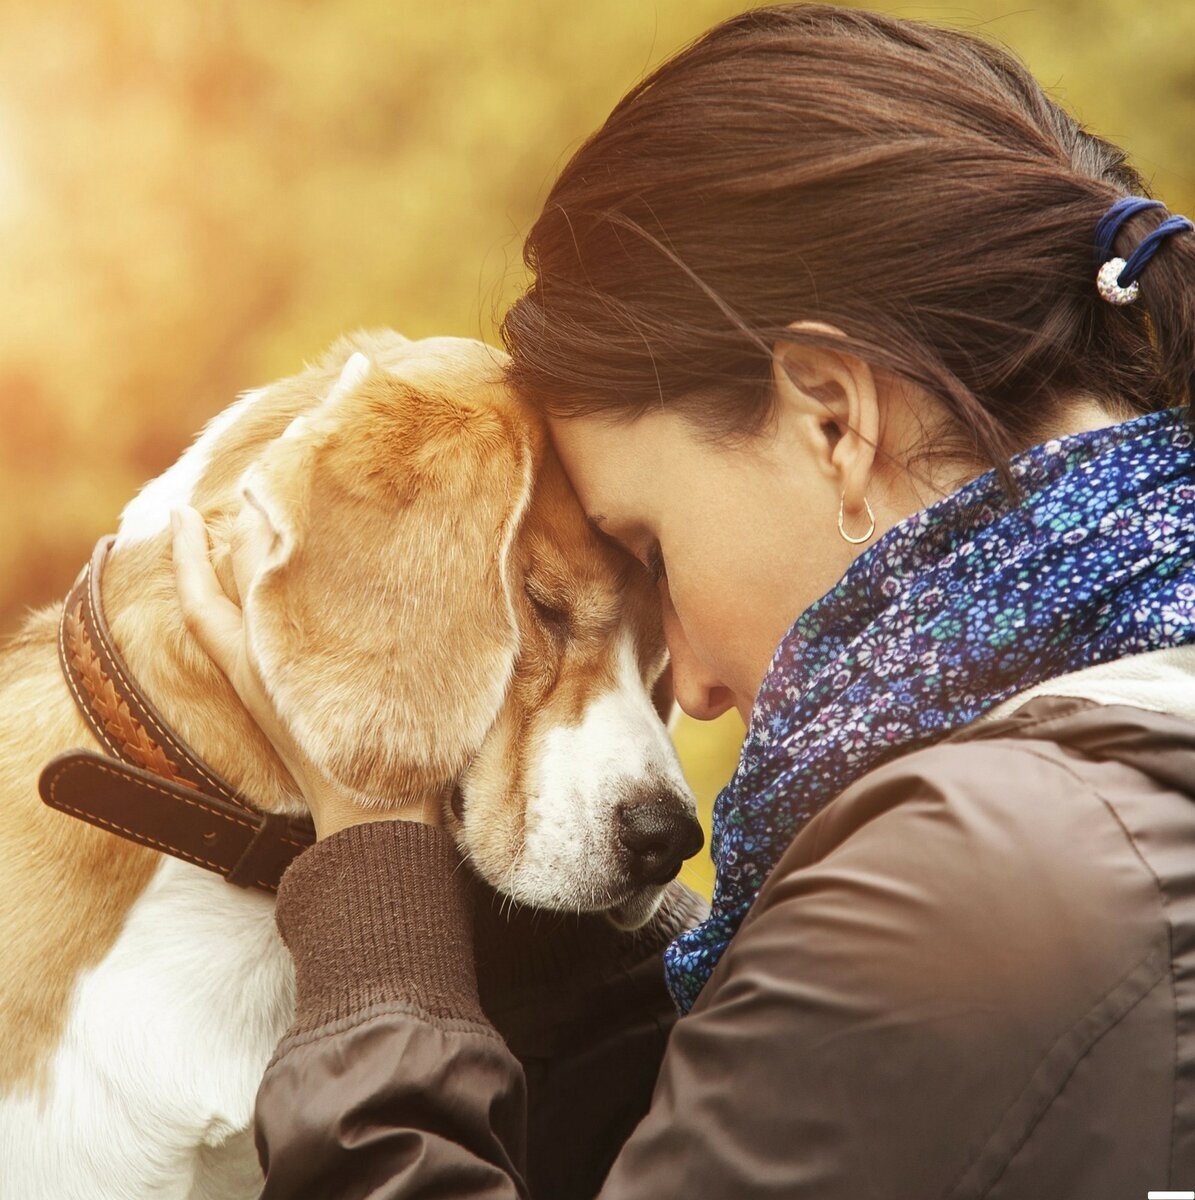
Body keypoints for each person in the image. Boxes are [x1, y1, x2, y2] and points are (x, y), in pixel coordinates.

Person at [171, 4, 1195, 1196]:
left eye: (646, 550)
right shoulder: (1125, 761)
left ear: (831, 418)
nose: (694, 691)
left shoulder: (974, 887)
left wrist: (373, 874)